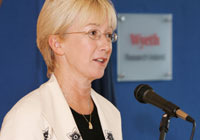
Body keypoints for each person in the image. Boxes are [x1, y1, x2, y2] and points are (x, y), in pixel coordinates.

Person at [0, 0, 122, 140]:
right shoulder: (27, 116)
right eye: (93, 33)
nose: (106, 46)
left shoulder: (111, 113)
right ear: (57, 44)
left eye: (108, 35)